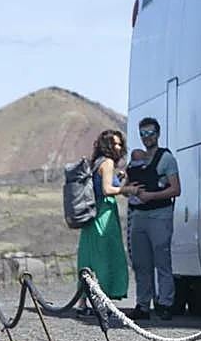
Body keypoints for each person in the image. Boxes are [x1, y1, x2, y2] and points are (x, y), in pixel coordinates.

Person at [76, 129, 137, 315]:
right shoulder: (108, 162)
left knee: (89, 258)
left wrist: (119, 181)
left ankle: (83, 302)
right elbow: (106, 190)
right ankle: (104, 301)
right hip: (104, 213)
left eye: (119, 144)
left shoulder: (96, 163)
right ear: (107, 146)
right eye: (114, 144)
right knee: (107, 256)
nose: (118, 147)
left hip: (91, 215)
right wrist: (129, 189)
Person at [124, 118, 180, 322]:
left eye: (150, 133)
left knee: (162, 260)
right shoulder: (135, 160)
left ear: (158, 133)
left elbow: (176, 189)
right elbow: (125, 185)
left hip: (159, 214)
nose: (147, 138)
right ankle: (142, 304)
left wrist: (152, 196)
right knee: (141, 263)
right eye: (143, 134)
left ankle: (165, 303)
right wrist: (130, 190)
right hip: (139, 214)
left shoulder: (166, 159)